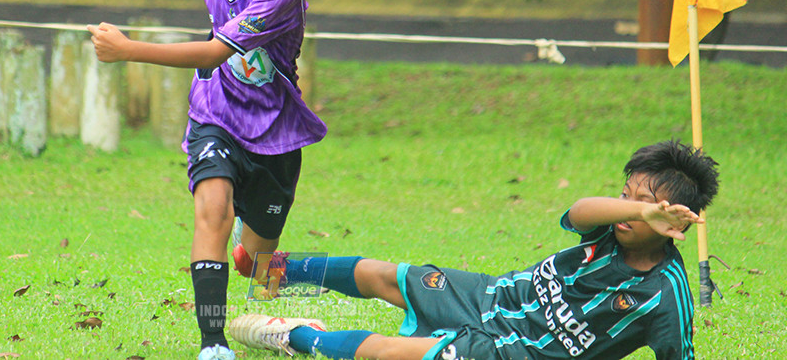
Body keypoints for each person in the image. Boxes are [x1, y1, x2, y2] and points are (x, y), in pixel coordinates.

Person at [86, 0, 382, 360]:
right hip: (214, 113)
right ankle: (213, 344)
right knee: (212, 212)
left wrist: (129, 49)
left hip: (275, 129)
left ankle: (262, 259)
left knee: (259, 268)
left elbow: (220, 44)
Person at [229, 140, 720, 360]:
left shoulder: (665, 294)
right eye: (626, 196)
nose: (629, 209)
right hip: (496, 297)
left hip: (517, 353)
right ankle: (271, 271)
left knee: (390, 352)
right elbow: (578, 211)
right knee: (384, 274)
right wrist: (636, 209)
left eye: (647, 204)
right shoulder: (613, 227)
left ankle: (295, 336)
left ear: (677, 220)